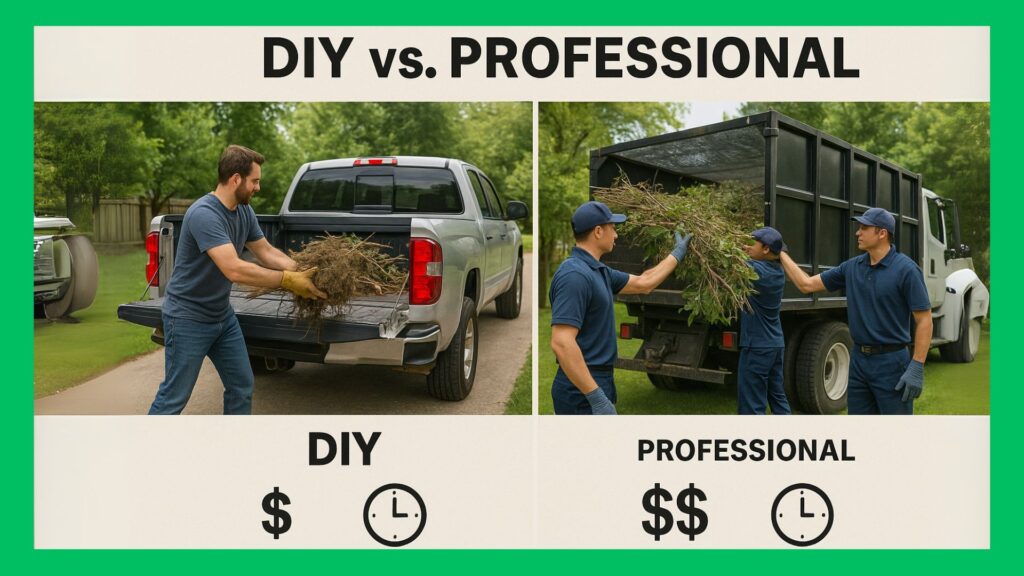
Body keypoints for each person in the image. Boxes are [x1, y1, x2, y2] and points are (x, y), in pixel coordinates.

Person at [149, 145, 327, 415]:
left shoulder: (244, 212)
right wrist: (288, 281)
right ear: (235, 179)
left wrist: (302, 270)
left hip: (222, 318)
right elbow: (234, 269)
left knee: (241, 386)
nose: (258, 187)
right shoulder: (204, 214)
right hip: (188, 319)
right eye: (254, 181)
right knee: (174, 397)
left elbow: (265, 251)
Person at [778, 207, 932, 415]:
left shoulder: (906, 270)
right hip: (859, 361)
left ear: (882, 233)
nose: (857, 233)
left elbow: (924, 320)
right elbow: (807, 285)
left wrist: (917, 365)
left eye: (864, 228)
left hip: (891, 363)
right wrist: (781, 254)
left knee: (896, 435)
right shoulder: (852, 267)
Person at [549, 200, 692, 415]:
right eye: (612, 228)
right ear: (598, 231)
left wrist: (677, 254)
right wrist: (595, 397)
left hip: (597, 380)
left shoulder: (598, 271)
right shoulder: (575, 276)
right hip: (580, 388)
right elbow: (561, 342)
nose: (616, 235)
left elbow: (645, 283)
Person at [738, 227, 791, 415]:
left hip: (757, 347)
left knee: (752, 404)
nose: (747, 245)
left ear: (766, 249)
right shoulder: (777, 271)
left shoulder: (756, 271)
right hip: (775, 345)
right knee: (777, 396)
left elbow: (731, 261)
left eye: (753, 242)